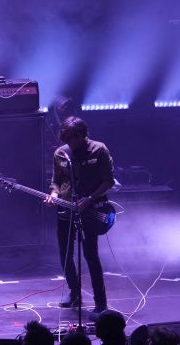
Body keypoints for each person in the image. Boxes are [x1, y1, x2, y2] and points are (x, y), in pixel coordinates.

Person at [44, 116, 114, 318]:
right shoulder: (61, 153)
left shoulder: (99, 149)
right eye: (67, 139)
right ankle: (75, 292)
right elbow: (56, 181)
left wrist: (90, 199)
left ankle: (101, 302)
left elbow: (108, 181)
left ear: (83, 135)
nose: (71, 143)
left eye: (74, 138)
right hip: (65, 208)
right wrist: (54, 194)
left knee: (90, 255)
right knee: (65, 254)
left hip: (90, 210)